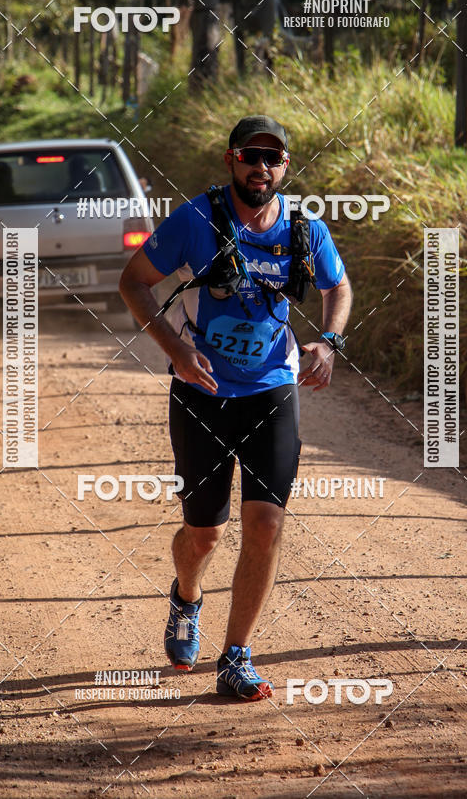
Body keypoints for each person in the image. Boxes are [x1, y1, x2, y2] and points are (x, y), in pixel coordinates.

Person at [119, 115, 352, 701]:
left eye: (273, 158)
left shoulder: (304, 229)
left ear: (285, 167)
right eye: (251, 156)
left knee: (266, 523)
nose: (261, 167)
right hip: (201, 394)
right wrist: (176, 351)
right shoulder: (195, 220)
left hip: (271, 389)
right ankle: (186, 596)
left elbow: (338, 287)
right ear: (231, 159)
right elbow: (133, 281)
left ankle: (236, 656)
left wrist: (328, 341)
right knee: (203, 534)